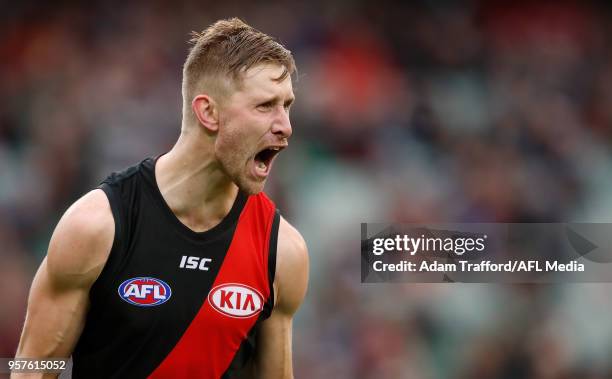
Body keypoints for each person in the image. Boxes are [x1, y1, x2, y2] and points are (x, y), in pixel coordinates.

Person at [13, 18, 309, 379]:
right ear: (208, 112)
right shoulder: (97, 226)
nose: (285, 126)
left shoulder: (282, 250)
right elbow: (31, 369)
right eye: (265, 106)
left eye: (287, 105)